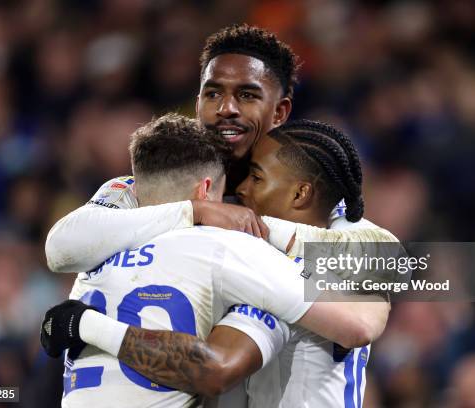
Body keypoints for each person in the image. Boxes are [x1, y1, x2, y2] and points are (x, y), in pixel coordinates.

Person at [44, 25, 396, 407]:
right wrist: (194, 210)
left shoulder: (322, 211)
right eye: (213, 93)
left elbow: (380, 290)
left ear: (280, 111)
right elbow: (61, 248)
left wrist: (249, 225)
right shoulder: (150, 190)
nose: (226, 109)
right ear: (197, 103)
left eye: (247, 95)